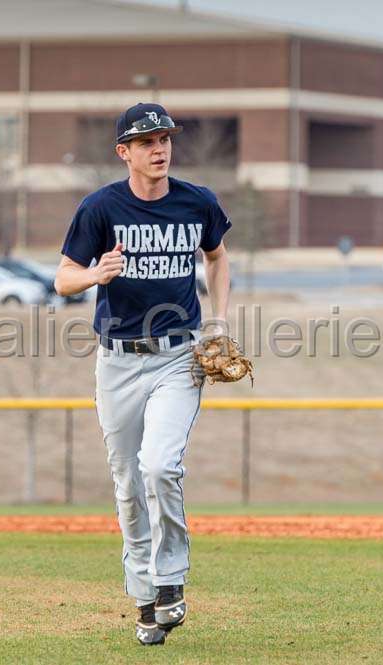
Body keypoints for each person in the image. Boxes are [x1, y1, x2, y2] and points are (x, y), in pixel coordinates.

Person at [54, 102, 232, 646]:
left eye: (166, 139)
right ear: (123, 152)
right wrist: (94, 274)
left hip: (178, 356)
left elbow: (218, 257)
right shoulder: (100, 207)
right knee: (129, 484)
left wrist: (218, 322)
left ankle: (171, 581)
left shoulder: (196, 201)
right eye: (147, 141)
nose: (160, 149)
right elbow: (62, 279)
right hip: (118, 362)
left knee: (159, 466)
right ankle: (145, 597)